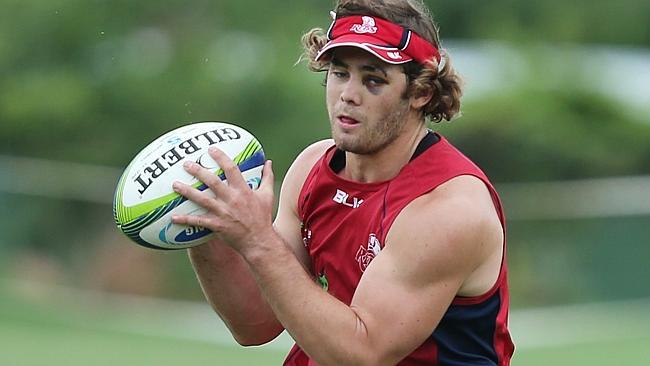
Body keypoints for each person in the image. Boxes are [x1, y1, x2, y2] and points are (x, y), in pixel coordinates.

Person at [171, 0, 514, 364]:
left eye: (373, 79)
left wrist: (257, 240)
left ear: (420, 93)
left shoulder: (449, 209)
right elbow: (255, 324)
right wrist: (206, 220)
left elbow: (361, 354)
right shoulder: (311, 168)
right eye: (339, 73)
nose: (348, 95)